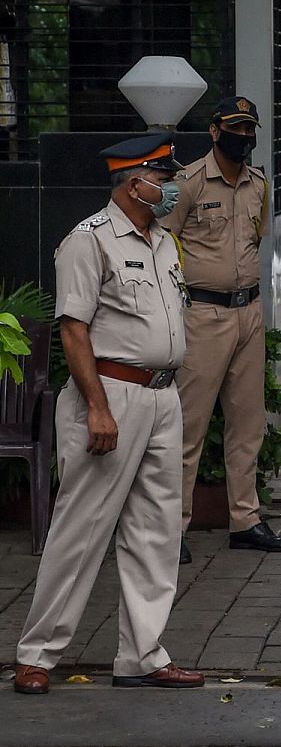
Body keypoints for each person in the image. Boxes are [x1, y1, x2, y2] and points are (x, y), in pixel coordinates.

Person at [13, 133, 204, 695]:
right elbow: (73, 329)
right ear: (133, 181)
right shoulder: (88, 241)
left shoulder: (164, 242)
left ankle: (143, 655)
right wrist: (97, 408)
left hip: (161, 398)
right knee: (81, 529)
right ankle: (37, 654)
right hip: (110, 395)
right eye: (163, 179)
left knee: (157, 530)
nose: (171, 188)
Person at [166, 96, 281, 564]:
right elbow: (166, 246)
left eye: (250, 129)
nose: (244, 136)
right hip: (204, 316)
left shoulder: (258, 185)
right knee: (188, 427)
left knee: (247, 423)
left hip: (249, 313)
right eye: (235, 128)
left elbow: (256, 238)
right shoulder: (188, 183)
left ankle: (245, 519)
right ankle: (172, 527)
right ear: (215, 132)